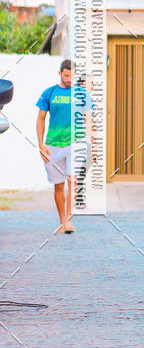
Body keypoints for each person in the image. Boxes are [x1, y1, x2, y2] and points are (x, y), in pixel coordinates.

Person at [36, 59, 92, 234]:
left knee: (72, 181)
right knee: (59, 186)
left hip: (76, 142)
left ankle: (68, 221)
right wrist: (40, 144)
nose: (69, 79)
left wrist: (92, 143)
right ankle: (62, 221)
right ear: (60, 73)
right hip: (53, 146)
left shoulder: (82, 94)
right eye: (66, 75)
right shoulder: (49, 93)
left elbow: (89, 120)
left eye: (72, 76)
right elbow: (40, 119)